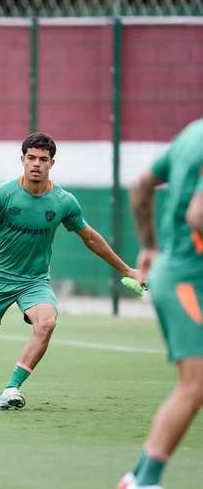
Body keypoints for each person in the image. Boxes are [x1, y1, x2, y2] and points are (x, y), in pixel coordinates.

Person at [0, 132, 140, 410]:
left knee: (47, 323)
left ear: (52, 163)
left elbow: (90, 238)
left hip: (34, 280)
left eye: (43, 159)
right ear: (23, 160)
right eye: (31, 158)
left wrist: (127, 270)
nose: (36, 164)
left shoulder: (64, 201)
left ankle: (11, 388)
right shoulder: (3, 193)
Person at [118, 120, 203, 489]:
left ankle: (137, 477)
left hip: (175, 271)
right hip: (189, 280)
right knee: (196, 384)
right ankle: (145, 481)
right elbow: (198, 216)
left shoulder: (192, 133)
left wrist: (150, 247)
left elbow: (140, 187)